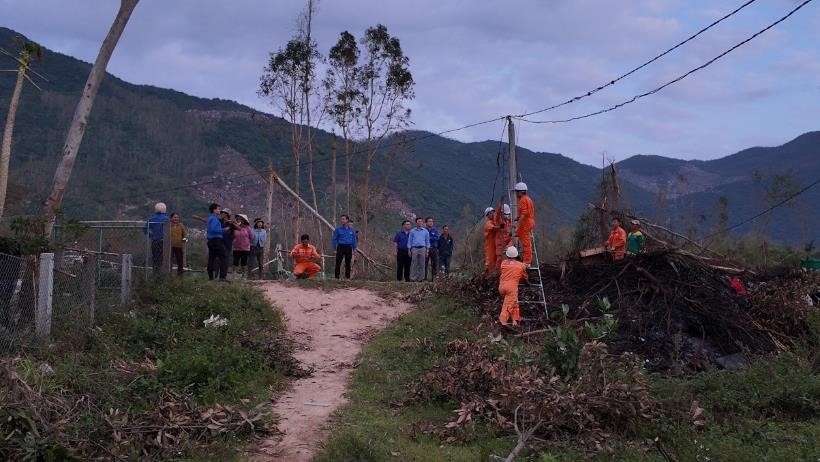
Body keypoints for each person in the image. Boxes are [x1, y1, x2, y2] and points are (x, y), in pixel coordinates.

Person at [498, 246, 529, 327]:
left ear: (507, 255)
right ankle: (502, 323)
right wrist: (527, 281)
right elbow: (525, 276)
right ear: (516, 255)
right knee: (508, 306)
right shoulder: (521, 265)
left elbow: (509, 266)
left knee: (514, 303)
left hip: (501, 287)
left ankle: (515, 320)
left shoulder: (503, 263)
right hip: (511, 288)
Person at [513, 182, 535, 266]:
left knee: (526, 243)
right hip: (529, 222)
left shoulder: (523, 200)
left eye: (517, 192)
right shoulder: (528, 199)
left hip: (525, 223)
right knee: (523, 239)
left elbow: (524, 213)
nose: (516, 194)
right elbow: (526, 212)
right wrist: (518, 218)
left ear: (520, 192)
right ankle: (524, 259)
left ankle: (527, 262)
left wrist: (518, 224)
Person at [205, 203, 228, 281]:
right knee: (224, 257)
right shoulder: (214, 218)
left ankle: (211, 277)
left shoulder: (211, 218)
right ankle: (222, 277)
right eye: (218, 209)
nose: (219, 210)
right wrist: (223, 230)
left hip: (211, 240)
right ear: (214, 210)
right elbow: (213, 229)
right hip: (216, 240)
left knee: (212, 258)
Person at [145, 202, 169, 273]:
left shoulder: (151, 219)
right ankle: (164, 273)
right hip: (164, 242)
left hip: (155, 241)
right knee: (164, 259)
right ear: (164, 210)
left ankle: (155, 274)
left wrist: (151, 236)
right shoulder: (167, 219)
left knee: (155, 259)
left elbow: (145, 228)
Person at [331, 214, 357, 279]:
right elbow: (335, 239)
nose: (341, 220)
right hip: (340, 247)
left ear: (347, 220)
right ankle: (336, 278)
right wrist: (334, 248)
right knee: (338, 262)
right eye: (341, 219)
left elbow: (354, 240)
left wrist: (354, 248)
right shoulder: (338, 229)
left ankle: (347, 278)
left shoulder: (351, 230)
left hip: (348, 247)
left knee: (348, 263)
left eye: (343, 219)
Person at [407, 217, 430, 282]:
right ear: (416, 222)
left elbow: (427, 241)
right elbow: (409, 241)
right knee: (414, 263)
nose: (420, 222)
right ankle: (413, 278)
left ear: (422, 223)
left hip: (423, 248)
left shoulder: (425, 231)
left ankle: (421, 278)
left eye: (421, 221)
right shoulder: (412, 231)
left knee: (422, 264)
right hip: (414, 248)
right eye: (418, 221)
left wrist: (427, 250)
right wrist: (409, 249)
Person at [232, 214, 253, 280]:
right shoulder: (235, 227)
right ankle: (234, 276)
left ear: (244, 220)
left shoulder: (248, 228)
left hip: (245, 248)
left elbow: (251, 237)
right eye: (238, 219)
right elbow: (232, 236)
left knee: (244, 262)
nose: (239, 220)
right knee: (235, 262)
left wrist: (247, 243)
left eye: (240, 219)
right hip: (236, 248)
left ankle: (244, 276)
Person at [220, 208, 238, 279]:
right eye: (222, 213)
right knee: (218, 260)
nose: (222, 214)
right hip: (219, 243)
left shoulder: (231, 223)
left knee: (225, 260)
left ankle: (223, 276)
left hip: (227, 244)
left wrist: (233, 223)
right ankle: (216, 276)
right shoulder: (219, 221)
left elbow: (239, 228)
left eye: (223, 213)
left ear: (227, 215)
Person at [495, 204, 512, 272]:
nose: (507, 216)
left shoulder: (508, 221)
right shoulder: (498, 220)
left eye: (508, 214)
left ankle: (507, 270)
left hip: (506, 240)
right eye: (506, 214)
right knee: (499, 258)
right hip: (500, 241)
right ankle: (498, 272)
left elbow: (509, 229)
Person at [424, 217, 440, 281]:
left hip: (434, 249)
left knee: (435, 264)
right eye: (429, 221)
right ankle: (424, 278)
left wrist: (428, 238)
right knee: (425, 264)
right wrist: (431, 238)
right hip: (425, 249)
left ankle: (434, 279)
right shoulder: (424, 230)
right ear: (426, 222)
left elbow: (437, 238)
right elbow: (423, 239)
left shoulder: (435, 230)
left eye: (432, 221)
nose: (431, 222)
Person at [483, 207, 498, 275]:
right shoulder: (488, 223)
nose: (493, 214)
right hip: (490, 246)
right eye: (491, 213)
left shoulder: (494, 222)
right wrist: (500, 227)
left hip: (495, 245)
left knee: (496, 261)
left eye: (493, 212)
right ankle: (488, 276)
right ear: (488, 215)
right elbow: (493, 228)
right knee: (490, 262)